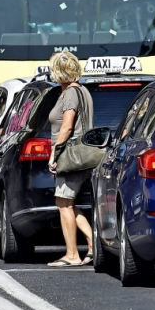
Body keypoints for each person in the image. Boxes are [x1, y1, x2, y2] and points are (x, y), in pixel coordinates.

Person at [46, 50, 94, 268]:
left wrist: (54, 153)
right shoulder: (81, 90)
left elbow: (67, 126)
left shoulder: (71, 94)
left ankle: (72, 254)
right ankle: (93, 245)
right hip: (80, 153)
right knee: (67, 202)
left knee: (64, 203)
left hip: (70, 154)